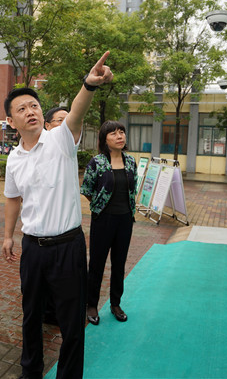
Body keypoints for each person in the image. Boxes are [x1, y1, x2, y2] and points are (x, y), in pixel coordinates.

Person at [2, 51, 114, 379]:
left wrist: (88, 85)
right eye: (21, 109)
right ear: (11, 121)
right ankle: (30, 371)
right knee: (30, 316)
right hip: (33, 249)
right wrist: (9, 235)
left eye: (34, 106)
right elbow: (12, 199)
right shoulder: (13, 159)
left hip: (68, 247)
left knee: (71, 321)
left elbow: (76, 112)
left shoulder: (60, 139)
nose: (30, 111)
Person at [80, 121, 138, 326]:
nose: (119, 136)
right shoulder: (97, 162)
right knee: (96, 264)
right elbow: (87, 189)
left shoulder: (131, 162)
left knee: (119, 264)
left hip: (125, 220)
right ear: (105, 139)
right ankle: (91, 304)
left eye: (121, 132)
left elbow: (133, 189)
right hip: (103, 220)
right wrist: (100, 205)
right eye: (113, 133)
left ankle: (115, 304)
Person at [41, 106, 70, 327]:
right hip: (39, 234)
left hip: (65, 235)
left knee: (63, 282)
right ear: (47, 125)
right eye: (60, 120)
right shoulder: (29, 153)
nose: (65, 125)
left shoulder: (67, 149)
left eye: (68, 120)